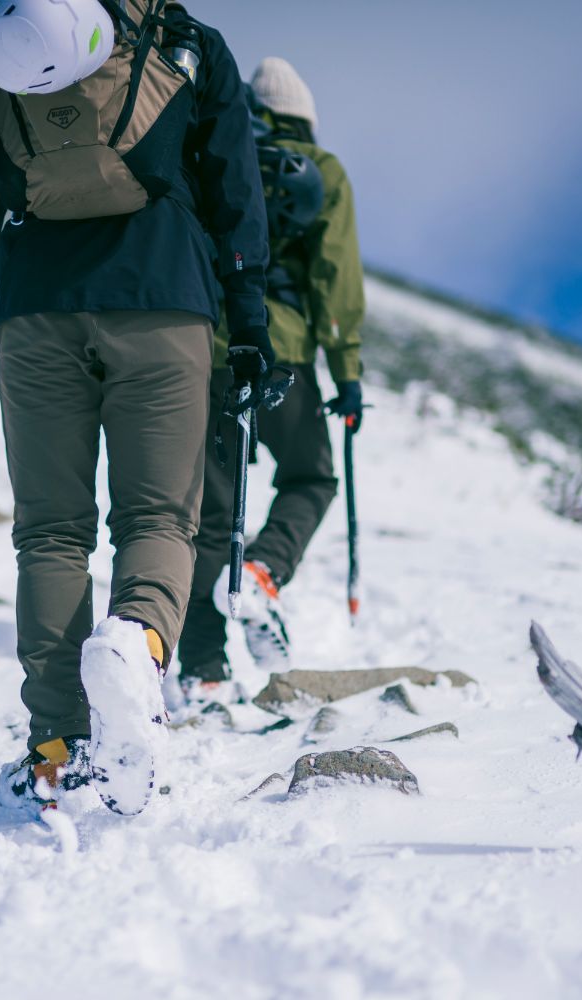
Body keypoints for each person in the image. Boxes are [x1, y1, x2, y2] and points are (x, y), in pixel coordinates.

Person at [0, 0, 270, 815]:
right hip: (164, 301)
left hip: (32, 312)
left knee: (51, 531)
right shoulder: (190, 46)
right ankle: (139, 640)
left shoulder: (10, 55)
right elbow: (236, 188)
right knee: (159, 519)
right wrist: (251, 323)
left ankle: (57, 750)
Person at [177, 56, 365, 702]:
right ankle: (262, 569)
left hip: (211, 350)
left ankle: (203, 670)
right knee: (312, 475)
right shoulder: (325, 172)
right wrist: (348, 373)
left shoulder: (219, 152)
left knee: (208, 516)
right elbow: (333, 276)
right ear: (304, 120)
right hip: (281, 353)